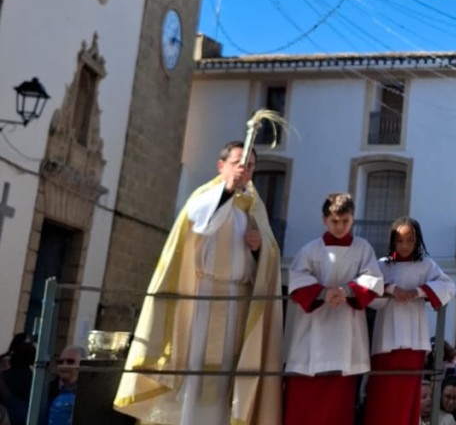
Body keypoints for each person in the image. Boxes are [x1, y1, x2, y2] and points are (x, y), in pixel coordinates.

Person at [114, 141, 282, 425]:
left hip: (238, 301)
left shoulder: (254, 208)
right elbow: (202, 222)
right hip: (200, 298)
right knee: (192, 374)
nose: (245, 170)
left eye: (250, 166)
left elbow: (270, 258)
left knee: (228, 376)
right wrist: (228, 190)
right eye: (238, 163)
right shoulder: (206, 197)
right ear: (221, 166)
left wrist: (258, 249)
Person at [284, 192, 384, 425]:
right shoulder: (310, 250)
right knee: (306, 404)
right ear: (324, 220)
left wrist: (347, 291)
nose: (340, 227)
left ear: (353, 218)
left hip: (346, 331)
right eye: (334, 222)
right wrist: (322, 292)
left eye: (345, 221)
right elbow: (297, 279)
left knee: (337, 406)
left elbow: (373, 280)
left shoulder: (363, 248)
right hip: (311, 332)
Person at [364, 217, 456, 425]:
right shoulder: (381, 265)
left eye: (410, 240)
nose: (405, 245)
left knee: (407, 399)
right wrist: (390, 288)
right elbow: (366, 286)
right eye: (400, 240)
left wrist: (419, 291)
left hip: (414, 343)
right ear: (392, 241)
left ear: (417, 240)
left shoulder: (426, 266)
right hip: (385, 343)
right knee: (381, 398)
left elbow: (448, 286)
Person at [45, 346, 85, 425]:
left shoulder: (89, 393)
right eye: (60, 362)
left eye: (70, 361)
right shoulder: (45, 391)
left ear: (82, 365)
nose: (64, 365)